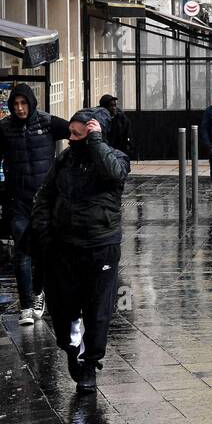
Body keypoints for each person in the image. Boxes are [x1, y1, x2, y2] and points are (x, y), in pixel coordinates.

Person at [30, 107, 130, 394]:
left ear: (94, 133)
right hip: (65, 247)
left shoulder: (115, 158)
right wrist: (44, 233)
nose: (70, 138)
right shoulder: (65, 160)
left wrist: (97, 141)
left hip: (102, 246)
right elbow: (44, 195)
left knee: (98, 309)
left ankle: (89, 363)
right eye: (69, 133)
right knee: (64, 307)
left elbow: (113, 174)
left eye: (77, 133)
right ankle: (72, 346)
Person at [0, 83, 70, 327]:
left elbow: (75, 131)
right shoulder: (4, 128)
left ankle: (37, 293)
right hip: (17, 201)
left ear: (31, 103)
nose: (20, 108)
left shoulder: (47, 122)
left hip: (44, 201)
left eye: (23, 103)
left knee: (43, 252)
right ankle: (25, 305)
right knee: (22, 253)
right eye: (15, 104)